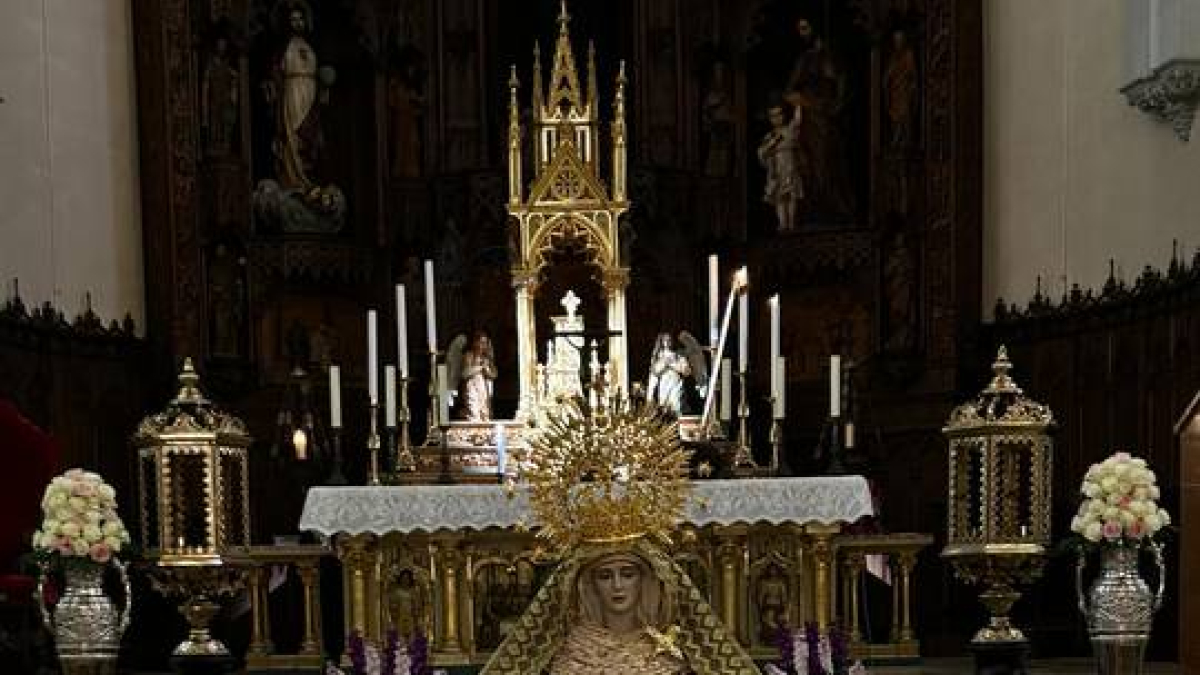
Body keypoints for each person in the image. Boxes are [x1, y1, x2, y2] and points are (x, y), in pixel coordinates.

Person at [263, 4, 330, 189]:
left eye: (300, 19)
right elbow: (276, 73)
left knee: (311, 134)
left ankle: (309, 178)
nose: (297, 23)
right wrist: (273, 89)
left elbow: (319, 76)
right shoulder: (284, 48)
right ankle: (292, 177)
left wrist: (323, 88)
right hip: (291, 93)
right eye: (293, 20)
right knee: (292, 133)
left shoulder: (311, 48)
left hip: (310, 92)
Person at [757, 104, 804, 232]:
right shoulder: (769, 136)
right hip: (776, 168)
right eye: (773, 116)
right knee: (779, 197)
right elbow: (762, 152)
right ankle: (782, 223)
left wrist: (798, 105)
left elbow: (797, 121)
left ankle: (791, 223)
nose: (777, 118)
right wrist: (772, 144)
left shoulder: (789, 130)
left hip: (790, 165)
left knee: (791, 196)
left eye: (779, 114)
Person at [646, 333, 691, 415]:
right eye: (665, 340)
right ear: (662, 342)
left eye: (669, 340)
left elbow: (687, 371)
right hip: (664, 384)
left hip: (676, 383)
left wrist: (673, 365)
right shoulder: (658, 355)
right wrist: (664, 363)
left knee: (676, 405)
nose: (668, 342)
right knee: (664, 407)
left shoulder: (679, 355)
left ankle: (677, 426)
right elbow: (654, 372)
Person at [460, 331, 497, 421]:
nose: (482, 346)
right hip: (473, 388)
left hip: (484, 390)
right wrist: (479, 368)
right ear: (475, 343)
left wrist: (486, 370)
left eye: (485, 343)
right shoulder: (469, 356)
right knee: (474, 413)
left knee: (485, 413)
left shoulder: (487, 358)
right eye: (481, 342)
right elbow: (464, 374)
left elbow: (494, 375)